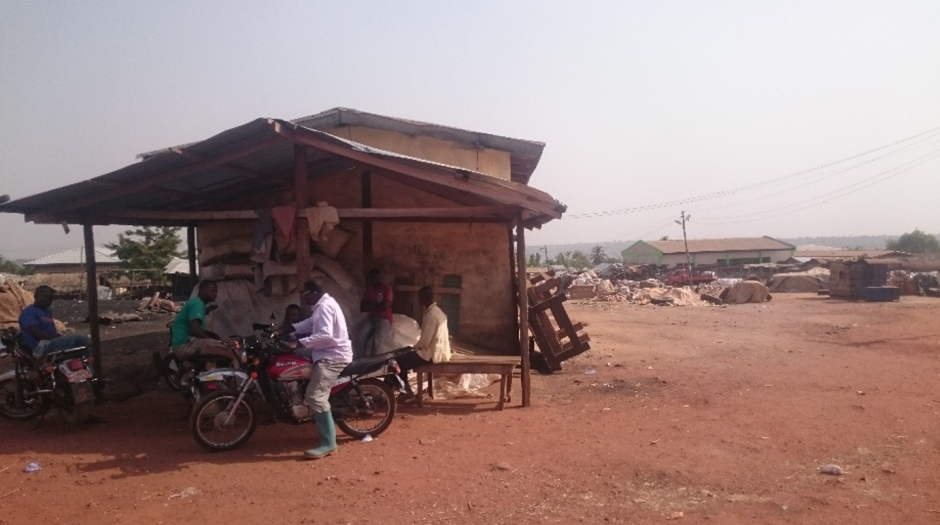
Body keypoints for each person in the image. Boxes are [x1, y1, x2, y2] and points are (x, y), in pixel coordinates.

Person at [281, 279, 353, 459]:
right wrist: (288, 329)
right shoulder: (321, 305)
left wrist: (298, 342)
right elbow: (310, 323)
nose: (303, 298)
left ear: (314, 293)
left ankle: (329, 444)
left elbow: (325, 334)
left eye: (304, 293)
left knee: (315, 395)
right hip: (323, 353)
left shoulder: (325, 306)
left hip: (332, 357)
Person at [394, 286, 451, 402]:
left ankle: (405, 391)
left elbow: (425, 341)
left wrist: (414, 348)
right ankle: (400, 390)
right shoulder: (438, 311)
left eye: (420, 297)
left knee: (397, 362)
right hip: (440, 352)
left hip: (431, 354)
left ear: (425, 298)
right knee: (404, 358)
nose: (418, 299)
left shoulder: (430, 315)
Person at [171, 280, 239, 367]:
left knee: (219, 344)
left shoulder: (197, 303)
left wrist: (213, 335)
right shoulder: (197, 304)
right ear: (203, 290)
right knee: (229, 352)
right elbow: (194, 330)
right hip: (184, 345)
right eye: (213, 291)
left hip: (183, 343)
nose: (215, 294)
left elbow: (196, 328)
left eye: (216, 292)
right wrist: (211, 340)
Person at [18, 285, 91, 359]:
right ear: (36, 296)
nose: (48, 299)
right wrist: (57, 339)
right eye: (45, 296)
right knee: (81, 339)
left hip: (50, 343)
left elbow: (51, 331)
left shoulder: (47, 312)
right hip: (40, 346)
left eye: (50, 297)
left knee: (79, 348)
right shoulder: (29, 312)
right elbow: (36, 332)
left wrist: (60, 338)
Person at [357, 268, 393, 357]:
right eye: (372, 278)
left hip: (384, 318)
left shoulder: (386, 289)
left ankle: (374, 362)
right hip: (371, 318)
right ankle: (360, 360)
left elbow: (385, 306)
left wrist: (370, 306)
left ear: (380, 278)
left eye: (376, 277)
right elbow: (362, 308)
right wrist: (377, 306)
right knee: (361, 337)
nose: (374, 280)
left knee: (377, 340)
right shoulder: (368, 290)